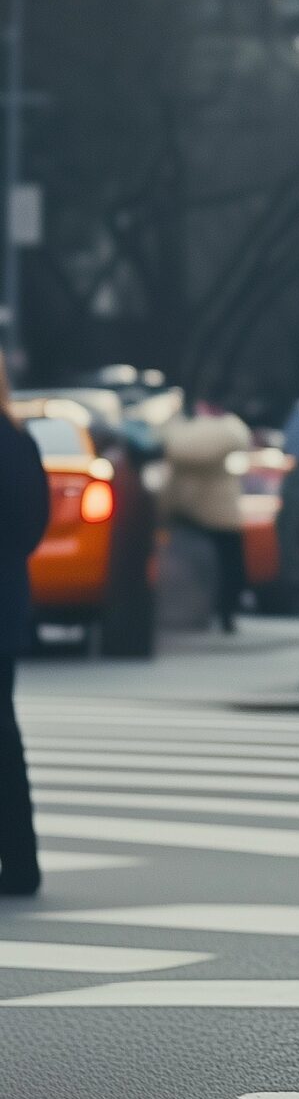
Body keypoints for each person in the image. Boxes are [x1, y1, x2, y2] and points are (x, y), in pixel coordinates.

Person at [1, 359, 48, 897]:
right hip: (7, 596)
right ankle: (20, 858)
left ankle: (19, 861)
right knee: (3, 737)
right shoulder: (19, 442)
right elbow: (34, 523)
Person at [162, 400, 253, 633]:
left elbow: (180, 449)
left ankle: (221, 612)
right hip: (211, 513)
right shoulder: (227, 430)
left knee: (221, 566)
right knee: (226, 566)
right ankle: (223, 613)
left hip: (198, 511)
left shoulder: (190, 432)